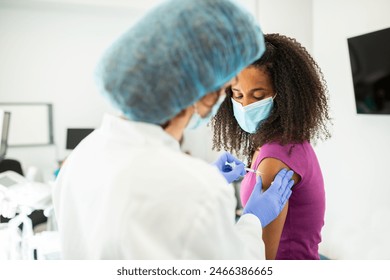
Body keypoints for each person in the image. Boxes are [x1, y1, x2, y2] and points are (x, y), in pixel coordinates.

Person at [52, 0, 294, 259]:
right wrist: (252, 220)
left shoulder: (81, 156)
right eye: (228, 89)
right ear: (203, 95)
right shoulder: (197, 190)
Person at [212, 33, 331, 260]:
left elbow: (262, 263)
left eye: (258, 96)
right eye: (237, 95)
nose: (245, 105)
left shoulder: (274, 159)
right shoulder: (279, 141)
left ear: (285, 96)